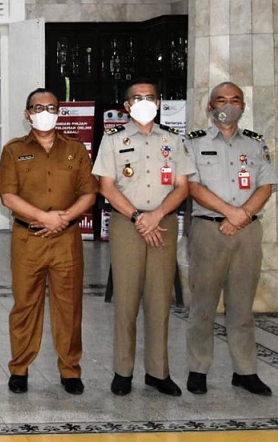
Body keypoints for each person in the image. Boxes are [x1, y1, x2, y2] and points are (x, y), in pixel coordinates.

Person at [92, 78, 195, 397]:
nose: (146, 102)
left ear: (160, 102)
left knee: (160, 299)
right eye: (138, 98)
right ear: (127, 106)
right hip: (127, 224)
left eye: (151, 97)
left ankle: (157, 371)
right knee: (126, 300)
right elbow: (105, 187)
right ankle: (123, 371)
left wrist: (156, 216)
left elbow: (182, 186)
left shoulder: (174, 141)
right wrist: (139, 217)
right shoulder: (112, 140)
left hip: (162, 224)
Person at [0, 88, 97, 395]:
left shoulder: (76, 150)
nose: (44, 112)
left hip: (66, 238)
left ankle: (70, 370)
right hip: (28, 238)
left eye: (51, 107)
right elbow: (8, 195)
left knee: (69, 307)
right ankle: (20, 368)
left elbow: (89, 193)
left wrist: (62, 219)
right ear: (27, 114)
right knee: (25, 305)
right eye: (38, 107)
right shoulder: (14, 150)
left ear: (59, 112)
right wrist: (44, 216)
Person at [185, 81, 276, 396]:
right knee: (203, 305)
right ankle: (198, 369)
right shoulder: (193, 143)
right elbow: (192, 186)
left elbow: (266, 185)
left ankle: (245, 371)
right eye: (221, 100)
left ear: (243, 107)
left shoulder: (255, 144)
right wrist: (229, 213)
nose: (228, 105)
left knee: (242, 306)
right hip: (209, 231)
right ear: (210, 107)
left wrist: (244, 215)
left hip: (247, 232)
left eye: (235, 100)